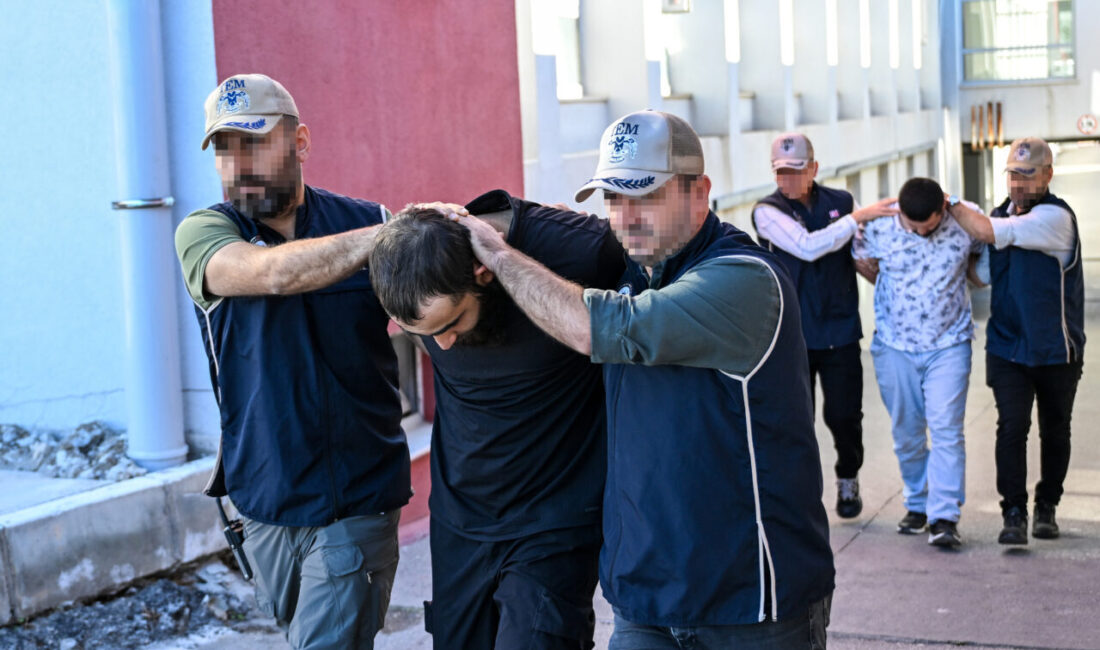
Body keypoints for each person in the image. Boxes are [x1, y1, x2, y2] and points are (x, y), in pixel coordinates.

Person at [452, 110, 834, 649]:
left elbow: (595, 326)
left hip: (751, 604)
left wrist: (494, 251)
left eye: (644, 196)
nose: (625, 217)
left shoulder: (744, 280)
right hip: (643, 602)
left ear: (699, 192)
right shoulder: (633, 264)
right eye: (612, 198)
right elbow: (557, 230)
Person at [174, 73, 411, 649]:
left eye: (253, 142)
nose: (239, 164)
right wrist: (388, 236)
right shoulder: (205, 232)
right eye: (225, 149)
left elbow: (433, 325)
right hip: (263, 500)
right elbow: (272, 273)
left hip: (356, 498)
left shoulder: (363, 217)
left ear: (299, 143)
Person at [368, 193, 625, 649]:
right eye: (422, 335)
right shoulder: (410, 260)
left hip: (555, 519)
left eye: (452, 323)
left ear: (482, 270)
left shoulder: (575, 249)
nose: (442, 346)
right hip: (461, 521)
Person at [944, 137, 1083, 545]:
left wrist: (948, 201)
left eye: (1027, 175)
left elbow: (988, 231)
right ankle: (1014, 512)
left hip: (1057, 348)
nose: (1018, 184)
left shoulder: (1056, 218)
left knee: (1055, 430)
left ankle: (1047, 505)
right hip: (1007, 346)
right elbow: (983, 274)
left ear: (1048, 175)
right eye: (1012, 175)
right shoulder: (1001, 215)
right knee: (1012, 427)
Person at [753, 132, 897, 519]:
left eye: (795, 172)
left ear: (813, 169)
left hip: (839, 331)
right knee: (796, 421)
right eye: (780, 172)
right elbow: (808, 245)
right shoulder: (766, 211)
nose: (787, 180)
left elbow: (863, 246)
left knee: (845, 416)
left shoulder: (841, 202)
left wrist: (870, 259)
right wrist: (857, 220)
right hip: (792, 337)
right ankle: (802, 495)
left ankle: (848, 478)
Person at [853, 177, 985, 548]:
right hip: (895, 345)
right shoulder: (878, 223)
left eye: (929, 226)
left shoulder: (965, 217)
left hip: (950, 343)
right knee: (907, 432)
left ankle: (944, 515)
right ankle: (917, 502)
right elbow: (862, 260)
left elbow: (990, 244)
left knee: (946, 429)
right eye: (914, 228)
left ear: (942, 210)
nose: (922, 233)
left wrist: (975, 276)